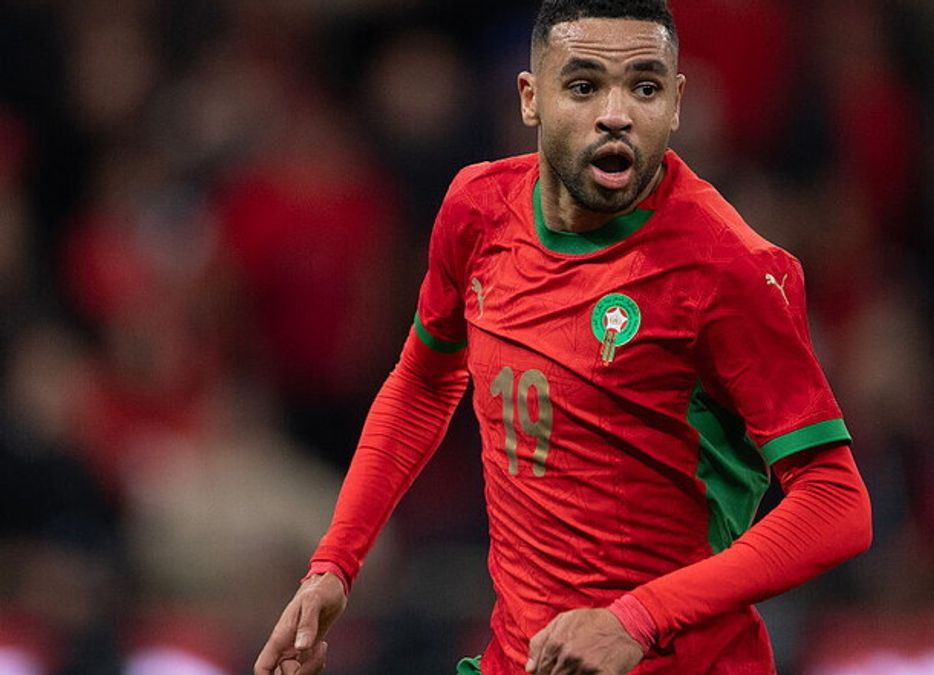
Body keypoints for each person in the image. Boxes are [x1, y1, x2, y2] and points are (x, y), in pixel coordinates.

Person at [254, 1, 872, 673]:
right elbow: (424, 381)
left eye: (645, 87)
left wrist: (636, 618)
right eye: (583, 86)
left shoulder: (730, 268)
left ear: (676, 103)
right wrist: (334, 565)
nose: (617, 114)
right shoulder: (477, 211)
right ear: (531, 98)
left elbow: (836, 501)